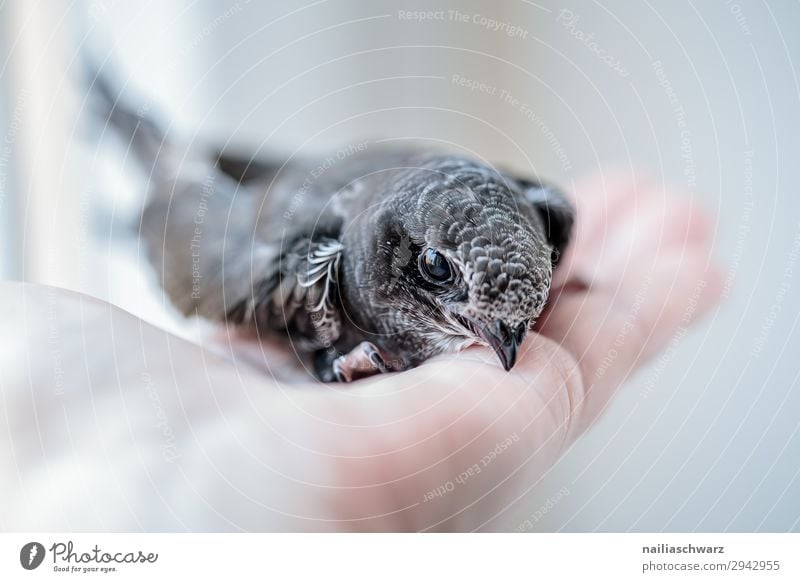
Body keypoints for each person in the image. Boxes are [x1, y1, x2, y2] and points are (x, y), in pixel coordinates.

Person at [0, 170, 721, 531]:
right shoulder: (322, 268)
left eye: (522, 316)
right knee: (160, 181)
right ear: (404, 257)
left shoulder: (547, 212)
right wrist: (326, 355)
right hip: (260, 213)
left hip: (332, 183)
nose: (508, 346)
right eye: (444, 278)